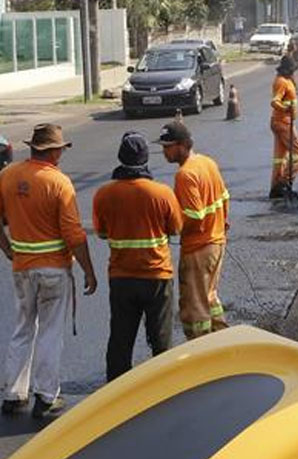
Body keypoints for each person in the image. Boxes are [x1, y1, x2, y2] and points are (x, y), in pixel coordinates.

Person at [0, 123, 98, 419]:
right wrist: (88, 270)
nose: (62, 153)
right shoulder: (59, 183)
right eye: (60, 149)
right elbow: (74, 235)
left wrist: (7, 249)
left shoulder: (8, 175)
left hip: (22, 268)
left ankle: (14, 393)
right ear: (53, 151)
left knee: (22, 329)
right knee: (49, 333)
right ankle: (46, 396)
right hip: (54, 271)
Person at [92, 131, 184, 382]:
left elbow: (100, 232)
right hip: (157, 276)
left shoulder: (104, 194)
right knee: (160, 339)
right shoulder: (161, 193)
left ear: (120, 158)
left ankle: (116, 391)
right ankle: (161, 390)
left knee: (121, 339)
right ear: (145, 160)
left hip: (122, 277)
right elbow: (176, 228)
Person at [157, 120, 230, 339]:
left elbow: (194, 216)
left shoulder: (185, 175)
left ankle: (201, 351)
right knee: (209, 296)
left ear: (181, 145)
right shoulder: (207, 162)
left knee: (194, 307)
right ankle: (222, 341)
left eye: (167, 146)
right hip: (216, 242)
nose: (164, 152)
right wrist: (221, 222)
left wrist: (170, 228)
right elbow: (225, 197)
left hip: (198, 248)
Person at [269, 55, 298, 198]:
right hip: (283, 123)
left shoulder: (286, 81)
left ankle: (275, 187)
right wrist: (285, 109)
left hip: (281, 122)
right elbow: (274, 101)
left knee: (280, 157)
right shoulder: (282, 82)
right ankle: (284, 181)